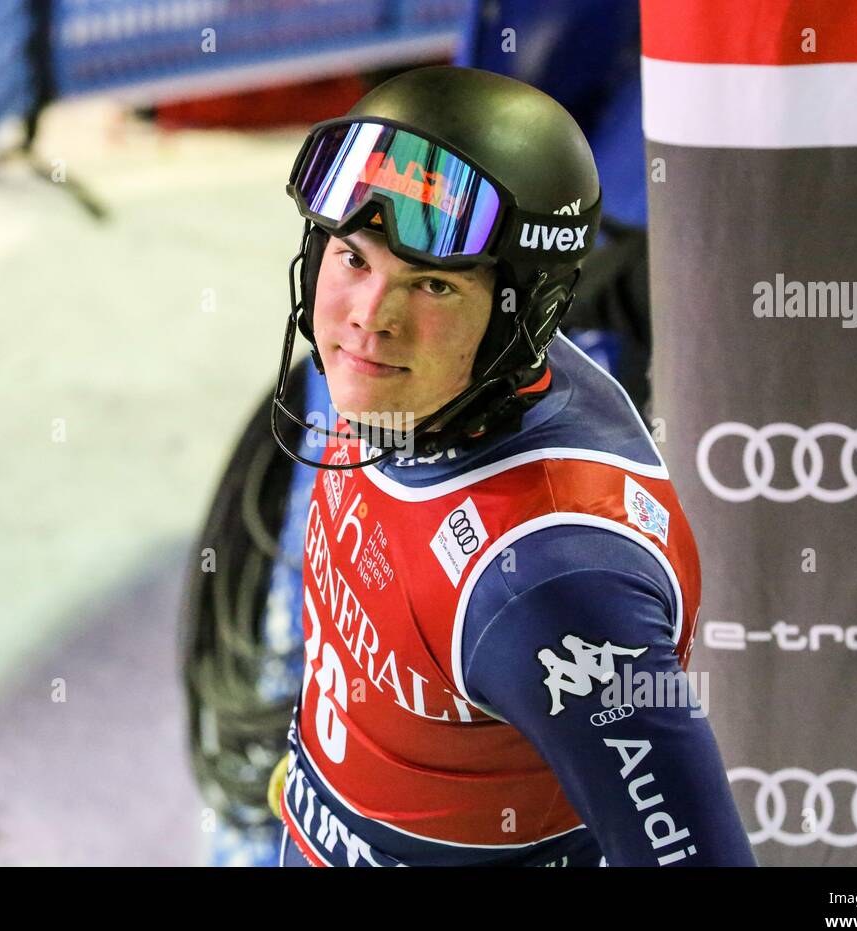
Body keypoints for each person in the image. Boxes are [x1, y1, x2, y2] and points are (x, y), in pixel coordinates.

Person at [266, 65, 756, 867]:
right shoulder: (410, 384)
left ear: (519, 318)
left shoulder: (552, 586)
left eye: (430, 285)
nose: (368, 319)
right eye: (352, 258)